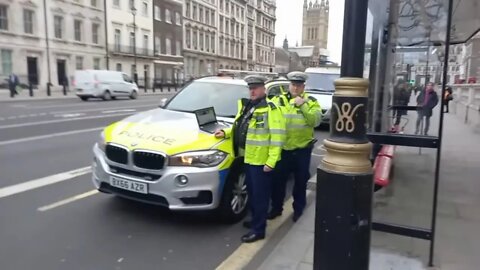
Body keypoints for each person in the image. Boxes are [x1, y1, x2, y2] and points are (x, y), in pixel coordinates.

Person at [214, 75, 286, 243]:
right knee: (253, 194)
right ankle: (255, 221)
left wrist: (271, 161)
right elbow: (240, 126)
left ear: (263, 89)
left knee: (260, 197)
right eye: (250, 88)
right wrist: (226, 132)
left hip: (261, 162)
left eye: (256, 88)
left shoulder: (271, 109)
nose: (252, 91)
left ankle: (259, 230)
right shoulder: (247, 106)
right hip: (247, 158)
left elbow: (278, 137)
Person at [269, 71, 322, 222]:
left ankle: (298, 209)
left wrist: (303, 106)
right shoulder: (278, 100)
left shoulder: (311, 101)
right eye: (293, 85)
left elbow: (315, 121)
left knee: (300, 182)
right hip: (283, 149)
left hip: (301, 150)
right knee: (278, 182)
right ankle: (276, 208)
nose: (295, 88)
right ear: (289, 85)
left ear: (303, 86)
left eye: (298, 85)